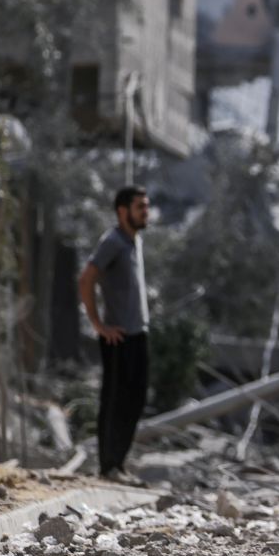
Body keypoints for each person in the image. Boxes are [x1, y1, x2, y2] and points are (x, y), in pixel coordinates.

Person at [78, 186, 152, 485]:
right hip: (118, 336)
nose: (145, 212)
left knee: (135, 400)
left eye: (147, 207)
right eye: (139, 207)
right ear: (123, 211)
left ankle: (119, 464)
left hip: (138, 333)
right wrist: (98, 324)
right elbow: (86, 280)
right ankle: (108, 465)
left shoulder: (134, 241)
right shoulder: (112, 241)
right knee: (115, 399)